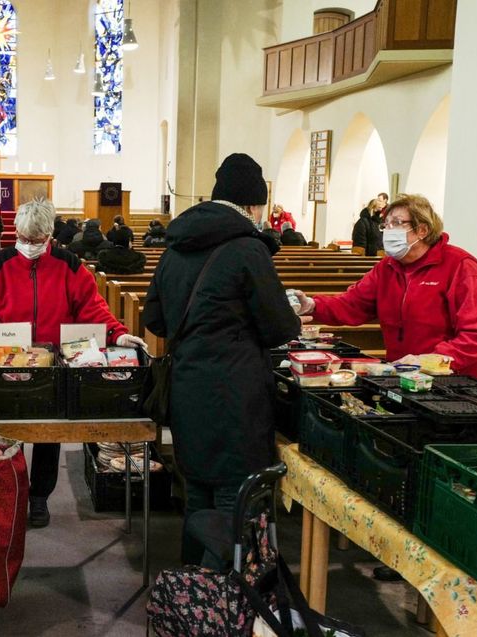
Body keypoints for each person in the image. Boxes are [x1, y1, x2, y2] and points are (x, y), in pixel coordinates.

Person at [143, 153, 301, 567]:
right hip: (235, 395)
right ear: (252, 205)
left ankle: (194, 597)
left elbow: (155, 319)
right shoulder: (248, 249)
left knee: (196, 493)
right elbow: (279, 328)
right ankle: (228, 605)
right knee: (237, 497)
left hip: (187, 389)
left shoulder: (175, 247)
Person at [0, 197, 146, 527]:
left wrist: (118, 335)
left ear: (49, 235)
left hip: (54, 361)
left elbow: (93, 308)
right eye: (24, 239)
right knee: (7, 431)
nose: (30, 246)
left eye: (37, 240)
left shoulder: (69, 264)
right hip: (7, 359)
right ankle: (11, 493)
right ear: (15, 232)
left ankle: (39, 497)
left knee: (49, 434)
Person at [295, 194, 477, 381]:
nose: (389, 230)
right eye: (387, 225)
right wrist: (313, 305)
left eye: (397, 223)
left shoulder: (460, 265)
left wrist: (432, 360)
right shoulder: (388, 266)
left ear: (422, 230)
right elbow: (353, 304)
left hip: (456, 379)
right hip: (405, 373)